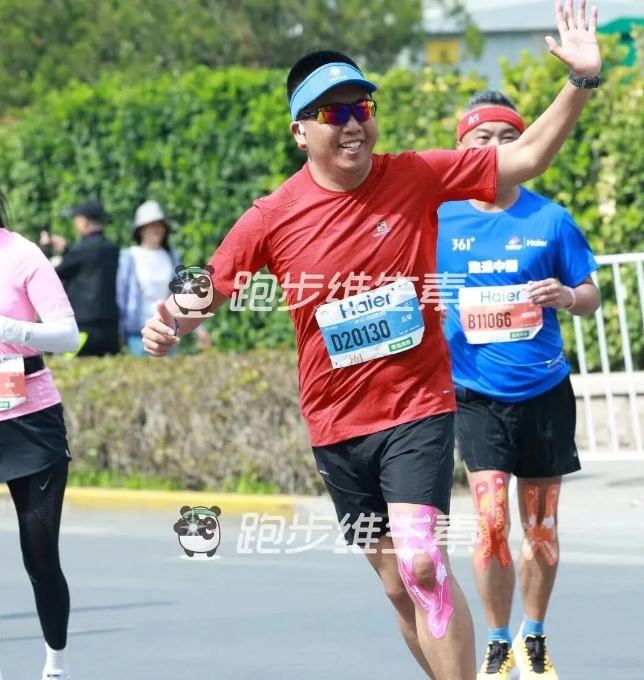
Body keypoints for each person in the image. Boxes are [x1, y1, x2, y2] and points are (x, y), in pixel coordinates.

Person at [141, 3, 602, 679]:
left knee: (423, 562)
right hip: (335, 426)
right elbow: (212, 284)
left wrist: (580, 82)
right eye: (334, 113)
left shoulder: (414, 174)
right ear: (300, 131)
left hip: (417, 409)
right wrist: (170, 320)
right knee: (396, 584)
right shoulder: (272, 216)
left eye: (362, 107)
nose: (353, 122)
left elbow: (526, 156)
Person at [436, 89, 600, 680]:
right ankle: (497, 642)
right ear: (462, 148)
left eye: (510, 138)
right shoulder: (438, 218)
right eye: (484, 138)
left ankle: (534, 637)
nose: (498, 148)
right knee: (490, 523)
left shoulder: (550, 218)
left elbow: (591, 295)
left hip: (543, 392)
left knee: (540, 525)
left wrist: (567, 295)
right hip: (476, 393)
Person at [0, 190, 80, 680]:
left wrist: (10, 329)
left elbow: (67, 335)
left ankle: (55, 665)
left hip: (30, 418)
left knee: (40, 554)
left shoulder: (22, 254)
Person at [116, 199, 211, 356]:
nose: (158, 229)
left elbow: (184, 293)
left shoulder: (171, 256)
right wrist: (119, 332)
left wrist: (199, 328)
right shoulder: (129, 257)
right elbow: (121, 296)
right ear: (141, 229)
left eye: (160, 225)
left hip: (166, 330)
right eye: (152, 225)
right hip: (137, 333)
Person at [40, 199, 121, 357]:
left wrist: (46, 248)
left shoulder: (80, 250)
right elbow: (87, 265)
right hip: (110, 328)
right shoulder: (112, 249)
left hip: (84, 328)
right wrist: (67, 250)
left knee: (74, 367)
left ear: (84, 222)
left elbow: (51, 274)